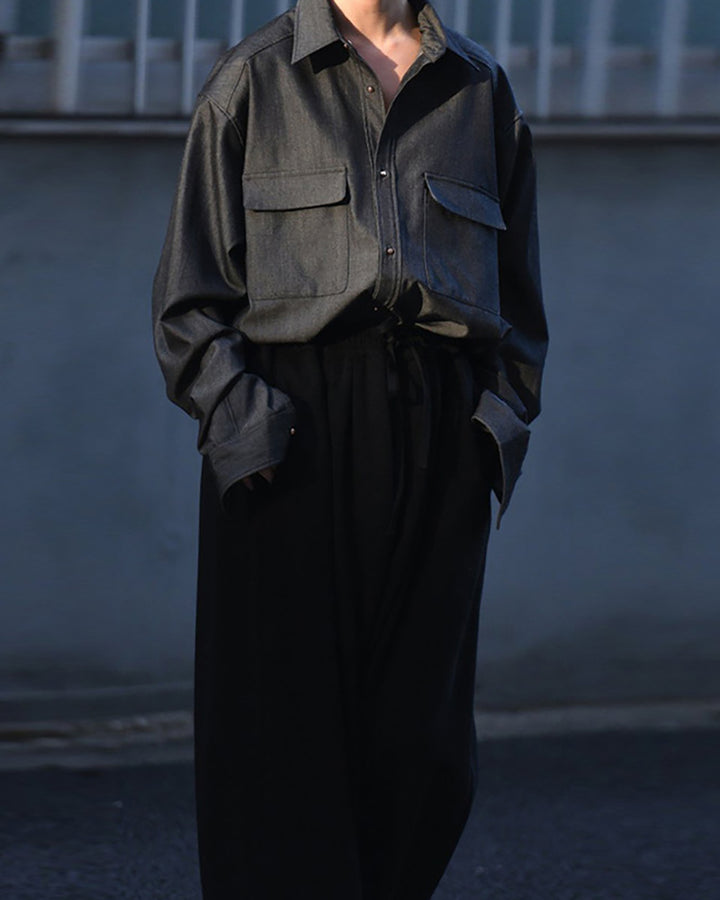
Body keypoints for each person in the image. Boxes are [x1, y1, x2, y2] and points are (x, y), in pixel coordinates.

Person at [152, 0, 548, 897]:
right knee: (278, 731)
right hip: (292, 422)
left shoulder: (480, 89)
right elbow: (189, 303)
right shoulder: (253, 80)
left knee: (422, 738)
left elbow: (520, 300)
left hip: (441, 421)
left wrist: (493, 426)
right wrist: (247, 427)